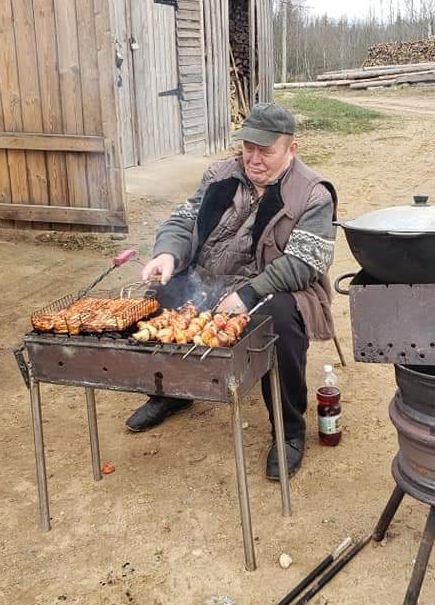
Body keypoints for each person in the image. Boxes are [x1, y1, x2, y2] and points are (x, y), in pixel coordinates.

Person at [122, 102, 337, 479]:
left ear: (292, 149)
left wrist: (249, 294)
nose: (254, 159)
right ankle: (171, 391)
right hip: (211, 279)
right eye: (248, 147)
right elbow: (184, 220)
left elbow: (304, 264)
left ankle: (288, 430)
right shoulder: (219, 175)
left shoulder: (314, 194)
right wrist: (168, 255)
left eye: (266, 151)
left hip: (274, 287)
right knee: (163, 297)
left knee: (281, 322)